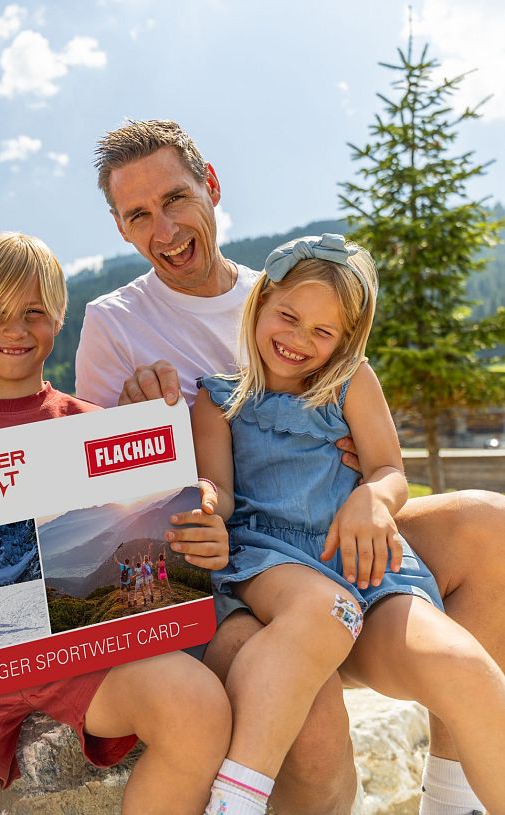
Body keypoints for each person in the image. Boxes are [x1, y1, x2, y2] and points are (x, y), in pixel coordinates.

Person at [76, 118, 505, 814]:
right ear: (121, 228)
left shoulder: (287, 292)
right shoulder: (114, 324)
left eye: (176, 199)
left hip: (338, 538)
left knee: (491, 525)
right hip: (238, 566)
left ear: (211, 185)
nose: (164, 228)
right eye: (138, 215)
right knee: (312, 728)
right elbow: (100, 505)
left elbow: (369, 442)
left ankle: (453, 797)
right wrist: (140, 428)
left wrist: (373, 488)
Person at [0, 232, 232, 815]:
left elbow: (146, 522)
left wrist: (199, 540)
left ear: (58, 319)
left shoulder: (91, 428)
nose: (15, 329)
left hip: (76, 660)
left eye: (34, 313)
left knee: (196, 703)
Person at [193, 234, 505, 814]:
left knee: (471, 673)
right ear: (259, 303)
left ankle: (453, 804)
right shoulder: (218, 402)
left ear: (346, 340)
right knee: (319, 608)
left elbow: (389, 469)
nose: (298, 340)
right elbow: (221, 493)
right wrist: (203, 504)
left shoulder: (351, 382)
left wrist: (373, 501)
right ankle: (235, 800)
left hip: (366, 566)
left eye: (323, 332)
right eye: (288, 316)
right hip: (272, 561)